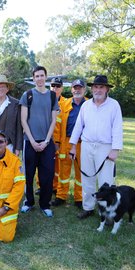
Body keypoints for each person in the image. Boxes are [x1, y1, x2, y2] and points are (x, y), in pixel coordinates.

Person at [69, 75, 123, 219]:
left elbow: (117, 128)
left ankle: (108, 211)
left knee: (106, 181)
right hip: (86, 145)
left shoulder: (114, 105)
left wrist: (115, 149)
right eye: (96, 87)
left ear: (107, 89)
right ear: (92, 89)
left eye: (101, 87)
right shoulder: (86, 105)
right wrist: (73, 146)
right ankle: (88, 207)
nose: (98, 90)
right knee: (87, 179)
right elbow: (78, 126)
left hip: (106, 147)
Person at [20, 66, 59, 218]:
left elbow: (54, 120)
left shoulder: (51, 96)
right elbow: (23, 120)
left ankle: (45, 204)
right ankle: (28, 202)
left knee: (47, 176)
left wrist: (47, 140)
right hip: (30, 142)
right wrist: (32, 141)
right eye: (37, 76)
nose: (40, 78)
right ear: (33, 78)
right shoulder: (27, 95)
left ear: (46, 77)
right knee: (28, 175)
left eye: (42, 75)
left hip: (47, 143)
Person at [52, 79, 86, 208]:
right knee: (63, 172)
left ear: (84, 90)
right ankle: (61, 196)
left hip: (82, 143)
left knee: (81, 173)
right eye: (75, 88)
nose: (77, 90)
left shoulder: (89, 104)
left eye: (80, 88)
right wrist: (57, 142)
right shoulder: (64, 104)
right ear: (71, 89)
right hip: (66, 141)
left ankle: (79, 198)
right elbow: (57, 125)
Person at [35, 77, 66, 196]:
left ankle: (55, 186)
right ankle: (40, 185)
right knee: (41, 164)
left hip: (59, 141)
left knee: (57, 166)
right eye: (53, 85)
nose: (55, 88)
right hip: (44, 138)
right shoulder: (44, 100)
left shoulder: (66, 103)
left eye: (58, 86)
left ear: (62, 88)